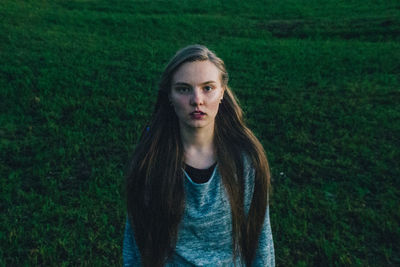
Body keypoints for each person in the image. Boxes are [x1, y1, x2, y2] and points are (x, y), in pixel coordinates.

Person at [123, 44, 275, 266]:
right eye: (184, 89)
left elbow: (260, 237)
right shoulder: (151, 161)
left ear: (222, 91)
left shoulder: (245, 160)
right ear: (170, 96)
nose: (197, 100)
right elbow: (137, 244)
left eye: (208, 88)